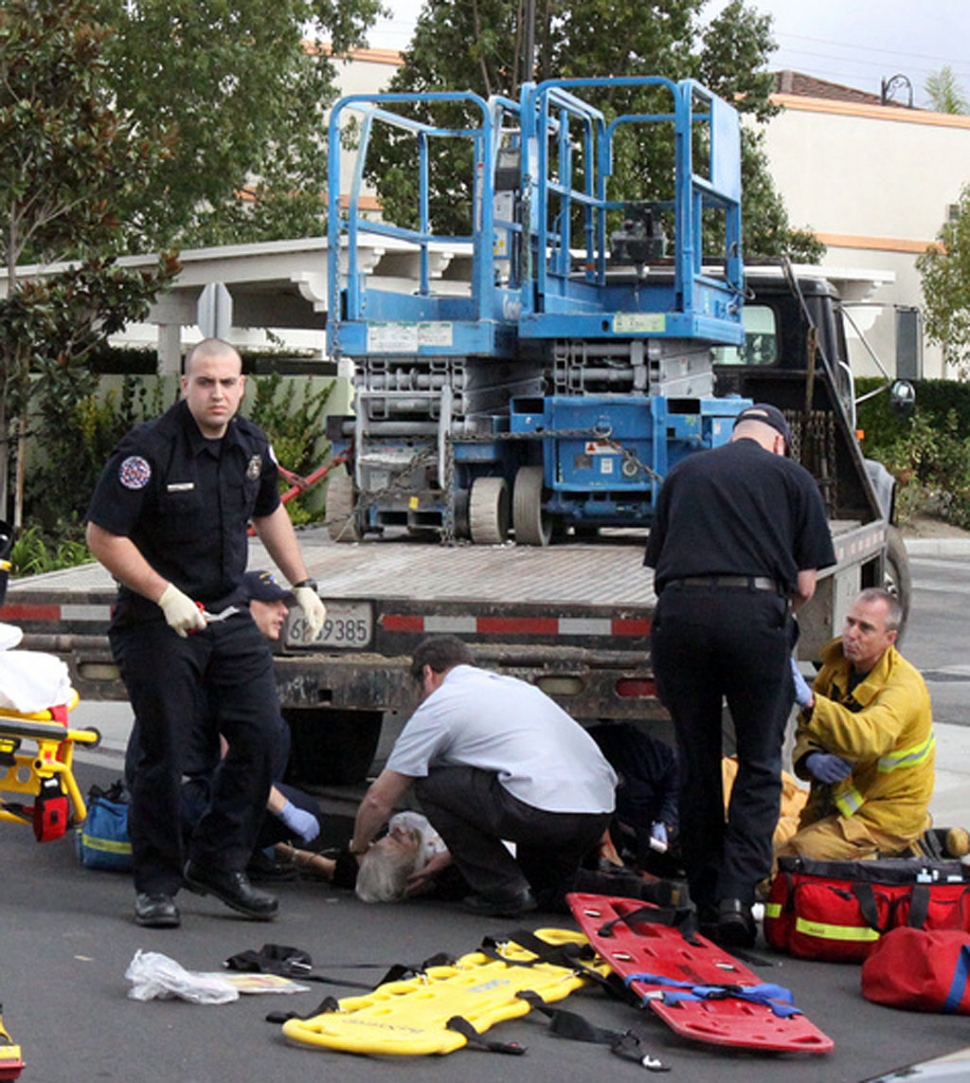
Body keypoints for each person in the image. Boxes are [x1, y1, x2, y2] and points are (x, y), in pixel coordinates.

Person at [86, 338, 327, 929]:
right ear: (185, 385)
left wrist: (303, 583)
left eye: (228, 382)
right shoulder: (148, 452)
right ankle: (157, 884)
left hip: (226, 613)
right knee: (166, 751)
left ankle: (218, 862)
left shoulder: (250, 444)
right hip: (157, 620)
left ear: (242, 385)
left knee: (264, 737)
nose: (217, 393)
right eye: (205, 382)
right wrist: (163, 594)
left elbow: (269, 510)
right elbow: (103, 534)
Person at [644, 402, 836, 947]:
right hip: (754, 621)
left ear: (735, 436)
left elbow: (660, 566)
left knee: (697, 759)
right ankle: (735, 897)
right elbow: (803, 587)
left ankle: (704, 896)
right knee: (757, 762)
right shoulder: (794, 480)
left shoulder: (683, 474)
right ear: (777, 441)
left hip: (680, 618)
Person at [348, 635, 618, 916]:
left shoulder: (441, 704)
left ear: (427, 674)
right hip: (596, 814)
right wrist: (454, 854)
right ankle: (649, 894)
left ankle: (505, 890)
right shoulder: (515, 689)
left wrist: (358, 848)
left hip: (540, 812)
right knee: (550, 889)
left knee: (429, 782)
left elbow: (379, 799)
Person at [777, 587, 934, 861]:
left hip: (886, 818)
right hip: (841, 806)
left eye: (865, 628)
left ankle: (883, 856)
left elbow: (868, 737)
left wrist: (812, 703)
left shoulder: (903, 687)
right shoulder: (837, 667)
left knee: (792, 860)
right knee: (777, 858)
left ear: (890, 638)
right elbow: (808, 729)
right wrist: (812, 757)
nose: (851, 634)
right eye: (850, 622)